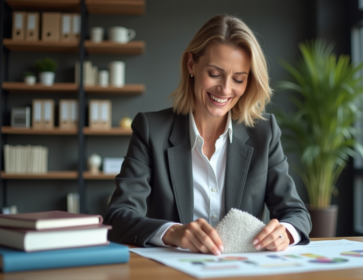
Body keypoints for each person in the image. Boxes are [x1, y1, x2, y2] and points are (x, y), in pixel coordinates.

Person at [105, 14, 311, 256]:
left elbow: (296, 213)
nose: (225, 89)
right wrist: (174, 233)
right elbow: (118, 216)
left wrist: (285, 232)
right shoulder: (151, 129)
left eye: (238, 79)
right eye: (214, 74)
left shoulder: (264, 133)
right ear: (192, 65)